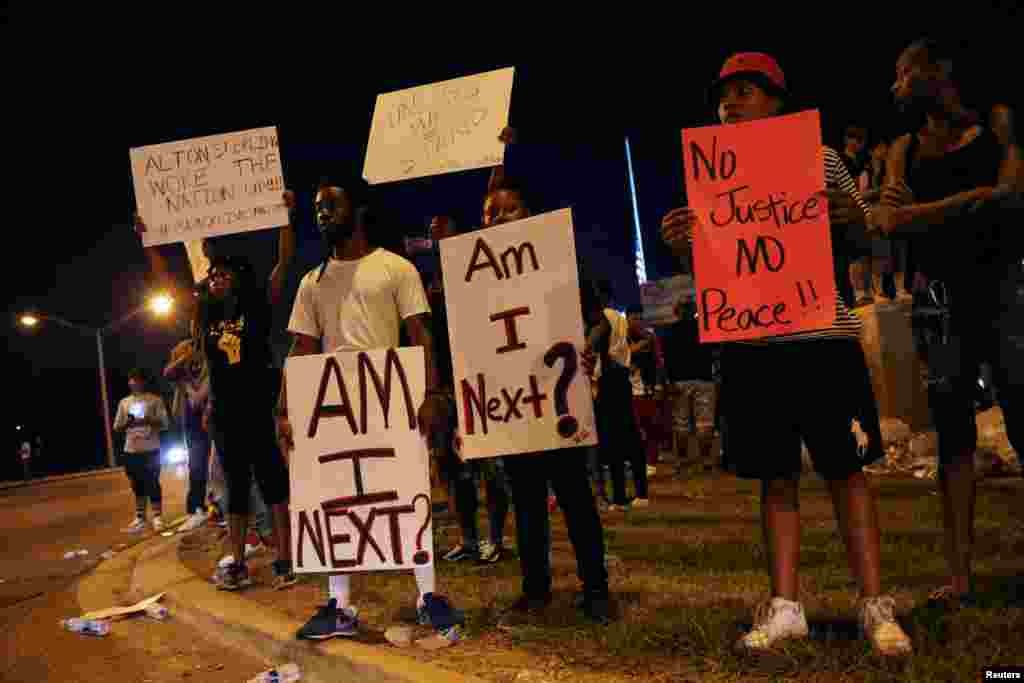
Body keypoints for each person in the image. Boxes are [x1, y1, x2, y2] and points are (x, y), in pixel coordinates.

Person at [660, 52, 912, 656]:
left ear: (777, 102)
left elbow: (863, 243)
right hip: (754, 347)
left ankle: (875, 606)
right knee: (775, 478)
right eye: (725, 95)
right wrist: (680, 245)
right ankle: (784, 607)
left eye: (747, 91)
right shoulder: (710, 177)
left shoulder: (821, 160)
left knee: (847, 473)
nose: (731, 104)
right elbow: (714, 267)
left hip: (822, 338)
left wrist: (848, 215)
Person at [277, 175, 461, 642]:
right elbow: (301, 348)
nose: (320, 214)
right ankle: (339, 605)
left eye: (330, 206)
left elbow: (421, 334)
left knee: (403, 494)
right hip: (335, 408)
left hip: (391, 399)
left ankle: (428, 595)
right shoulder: (310, 283)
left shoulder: (395, 268)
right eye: (316, 208)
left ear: (357, 210)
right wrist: (284, 407)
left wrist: (433, 393)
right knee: (335, 500)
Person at [876, 38, 1023, 609]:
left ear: (939, 70)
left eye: (904, 72)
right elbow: (886, 219)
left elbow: (1008, 199)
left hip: (1005, 288)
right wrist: (897, 215)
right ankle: (960, 575)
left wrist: (913, 215)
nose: (896, 85)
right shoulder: (902, 148)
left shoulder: (998, 122)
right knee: (953, 436)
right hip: (939, 298)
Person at [481, 139, 612, 624]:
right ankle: (535, 589)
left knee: (575, 496)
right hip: (515, 403)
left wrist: (590, 343)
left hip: (557, 397)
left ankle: (595, 588)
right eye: (493, 214)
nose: (500, 220)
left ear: (529, 215)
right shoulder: (480, 277)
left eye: (511, 210)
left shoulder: (559, 262)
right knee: (527, 501)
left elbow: (596, 319)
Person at [427, 215, 512, 565]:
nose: (435, 236)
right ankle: (468, 539)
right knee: (453, 470)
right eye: (432, 232)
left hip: (483, 385)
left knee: (491, 467)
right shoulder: (431, 286)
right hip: (447, 390)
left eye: (442, 230)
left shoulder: (482, 282)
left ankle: (495, 537)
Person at [587, 288, 649, 510]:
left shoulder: (606, 319)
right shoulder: (618, 318)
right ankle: (636, 493)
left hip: (610, 381)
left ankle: (624, 495)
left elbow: (595, 342)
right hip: (618, 380)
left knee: (617, 442)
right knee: (627, 440)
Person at [113, 368, 170, 533]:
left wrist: (148, 420)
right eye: (131, 379)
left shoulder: (155, 400)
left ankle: (157, 516)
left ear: (144, 381)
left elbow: (165, 424)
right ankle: (140, 518)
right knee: (136, 483)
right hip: (131, 449)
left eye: (137, 379)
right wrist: (128, 423)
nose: (134, 382)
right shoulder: (124, 402)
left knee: (152, 482)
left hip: (151, 448)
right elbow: (117, 427)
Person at [663, 298, 718, 469]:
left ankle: (682, 459)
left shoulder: (670, 331)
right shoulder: (704, 329)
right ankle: (706, 459)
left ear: (676, 311)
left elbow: (666, 360)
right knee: (705, 422)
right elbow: (714, 353)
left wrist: (668, 382)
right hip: (704, 379)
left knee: (681, 422)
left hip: (679, 381)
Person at [164, 338, 211, 533]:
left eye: (192, 347)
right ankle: (196, 510)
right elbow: (167, 372)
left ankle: (218, 507)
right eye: (184, 350)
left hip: (212, 416)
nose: (190, 350)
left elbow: (204, 392)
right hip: (192, 423)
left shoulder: (207, 362)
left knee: (219, 467)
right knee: (196, 466)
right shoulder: (181, 372)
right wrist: (183, 358)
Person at [625, 304, 667, 478]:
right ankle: (636, 459)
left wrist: (658, 386)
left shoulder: (651, 337)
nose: (638, 322)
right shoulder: (620, 338)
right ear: (626, 320)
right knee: (632, 429)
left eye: (640, 318)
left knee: (651, 426)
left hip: (647, 389)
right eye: (634, 318)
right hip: (627, 391)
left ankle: (651, 461)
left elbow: (659, 364)